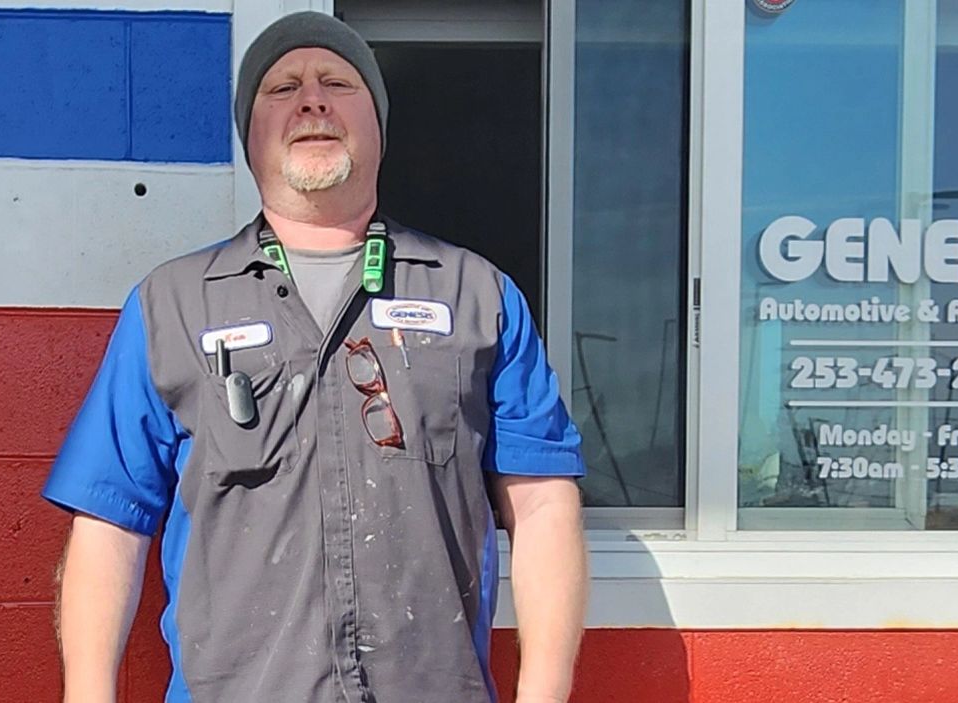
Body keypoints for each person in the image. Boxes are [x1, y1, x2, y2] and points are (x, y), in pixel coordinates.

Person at [41, 10, 587, 702]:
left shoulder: (478, 296)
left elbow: (542, 508)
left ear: (378, 126)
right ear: (249, 134)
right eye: (281, 89)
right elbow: (109, 525)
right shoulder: (170, 306)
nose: (312, 100)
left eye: (337, 81)